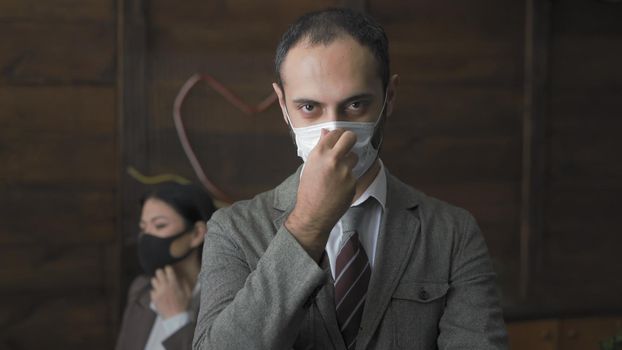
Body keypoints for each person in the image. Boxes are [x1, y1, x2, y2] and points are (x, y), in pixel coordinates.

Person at [192, 8, 508, 350]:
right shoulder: (234, 230)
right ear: (283, 105)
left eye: (355, 105)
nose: (334, 131)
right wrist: (306, 227)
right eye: (310, 108)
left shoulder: (452, 234)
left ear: (390, 98)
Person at [116, 182, 216, 350]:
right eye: (143, 227)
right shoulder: (141, 289)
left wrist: (177, 319)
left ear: (197, 233)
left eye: (160, 225)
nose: (147, 237)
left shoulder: (222, 298)